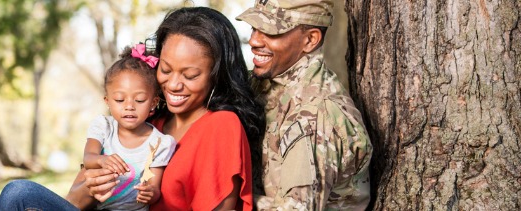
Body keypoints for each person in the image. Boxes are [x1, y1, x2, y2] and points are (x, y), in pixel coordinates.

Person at [74, 7, 265, 211]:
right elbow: (74, 199)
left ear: (216, 75)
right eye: (165, 70)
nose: (173, 84)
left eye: (190, 76)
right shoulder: (148, 122)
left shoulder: (221, 126)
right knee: (34, 193)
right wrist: (92, 186)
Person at [235, 0, 373, 210]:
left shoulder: (315, 114)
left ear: (310, 40)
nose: (254, 40)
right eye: (254, 27)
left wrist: (232, 200)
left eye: (270, 32)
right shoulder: (267, 82)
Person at [82, 44, 177, 210]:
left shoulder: (160, 143)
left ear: (153, 103)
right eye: (119, 100)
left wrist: (150, 193)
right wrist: (101, 159)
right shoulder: (103, 127)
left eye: (139, 100)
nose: (129, 107)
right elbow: (88, 159)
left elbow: (154, 189)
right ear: (108, 101)